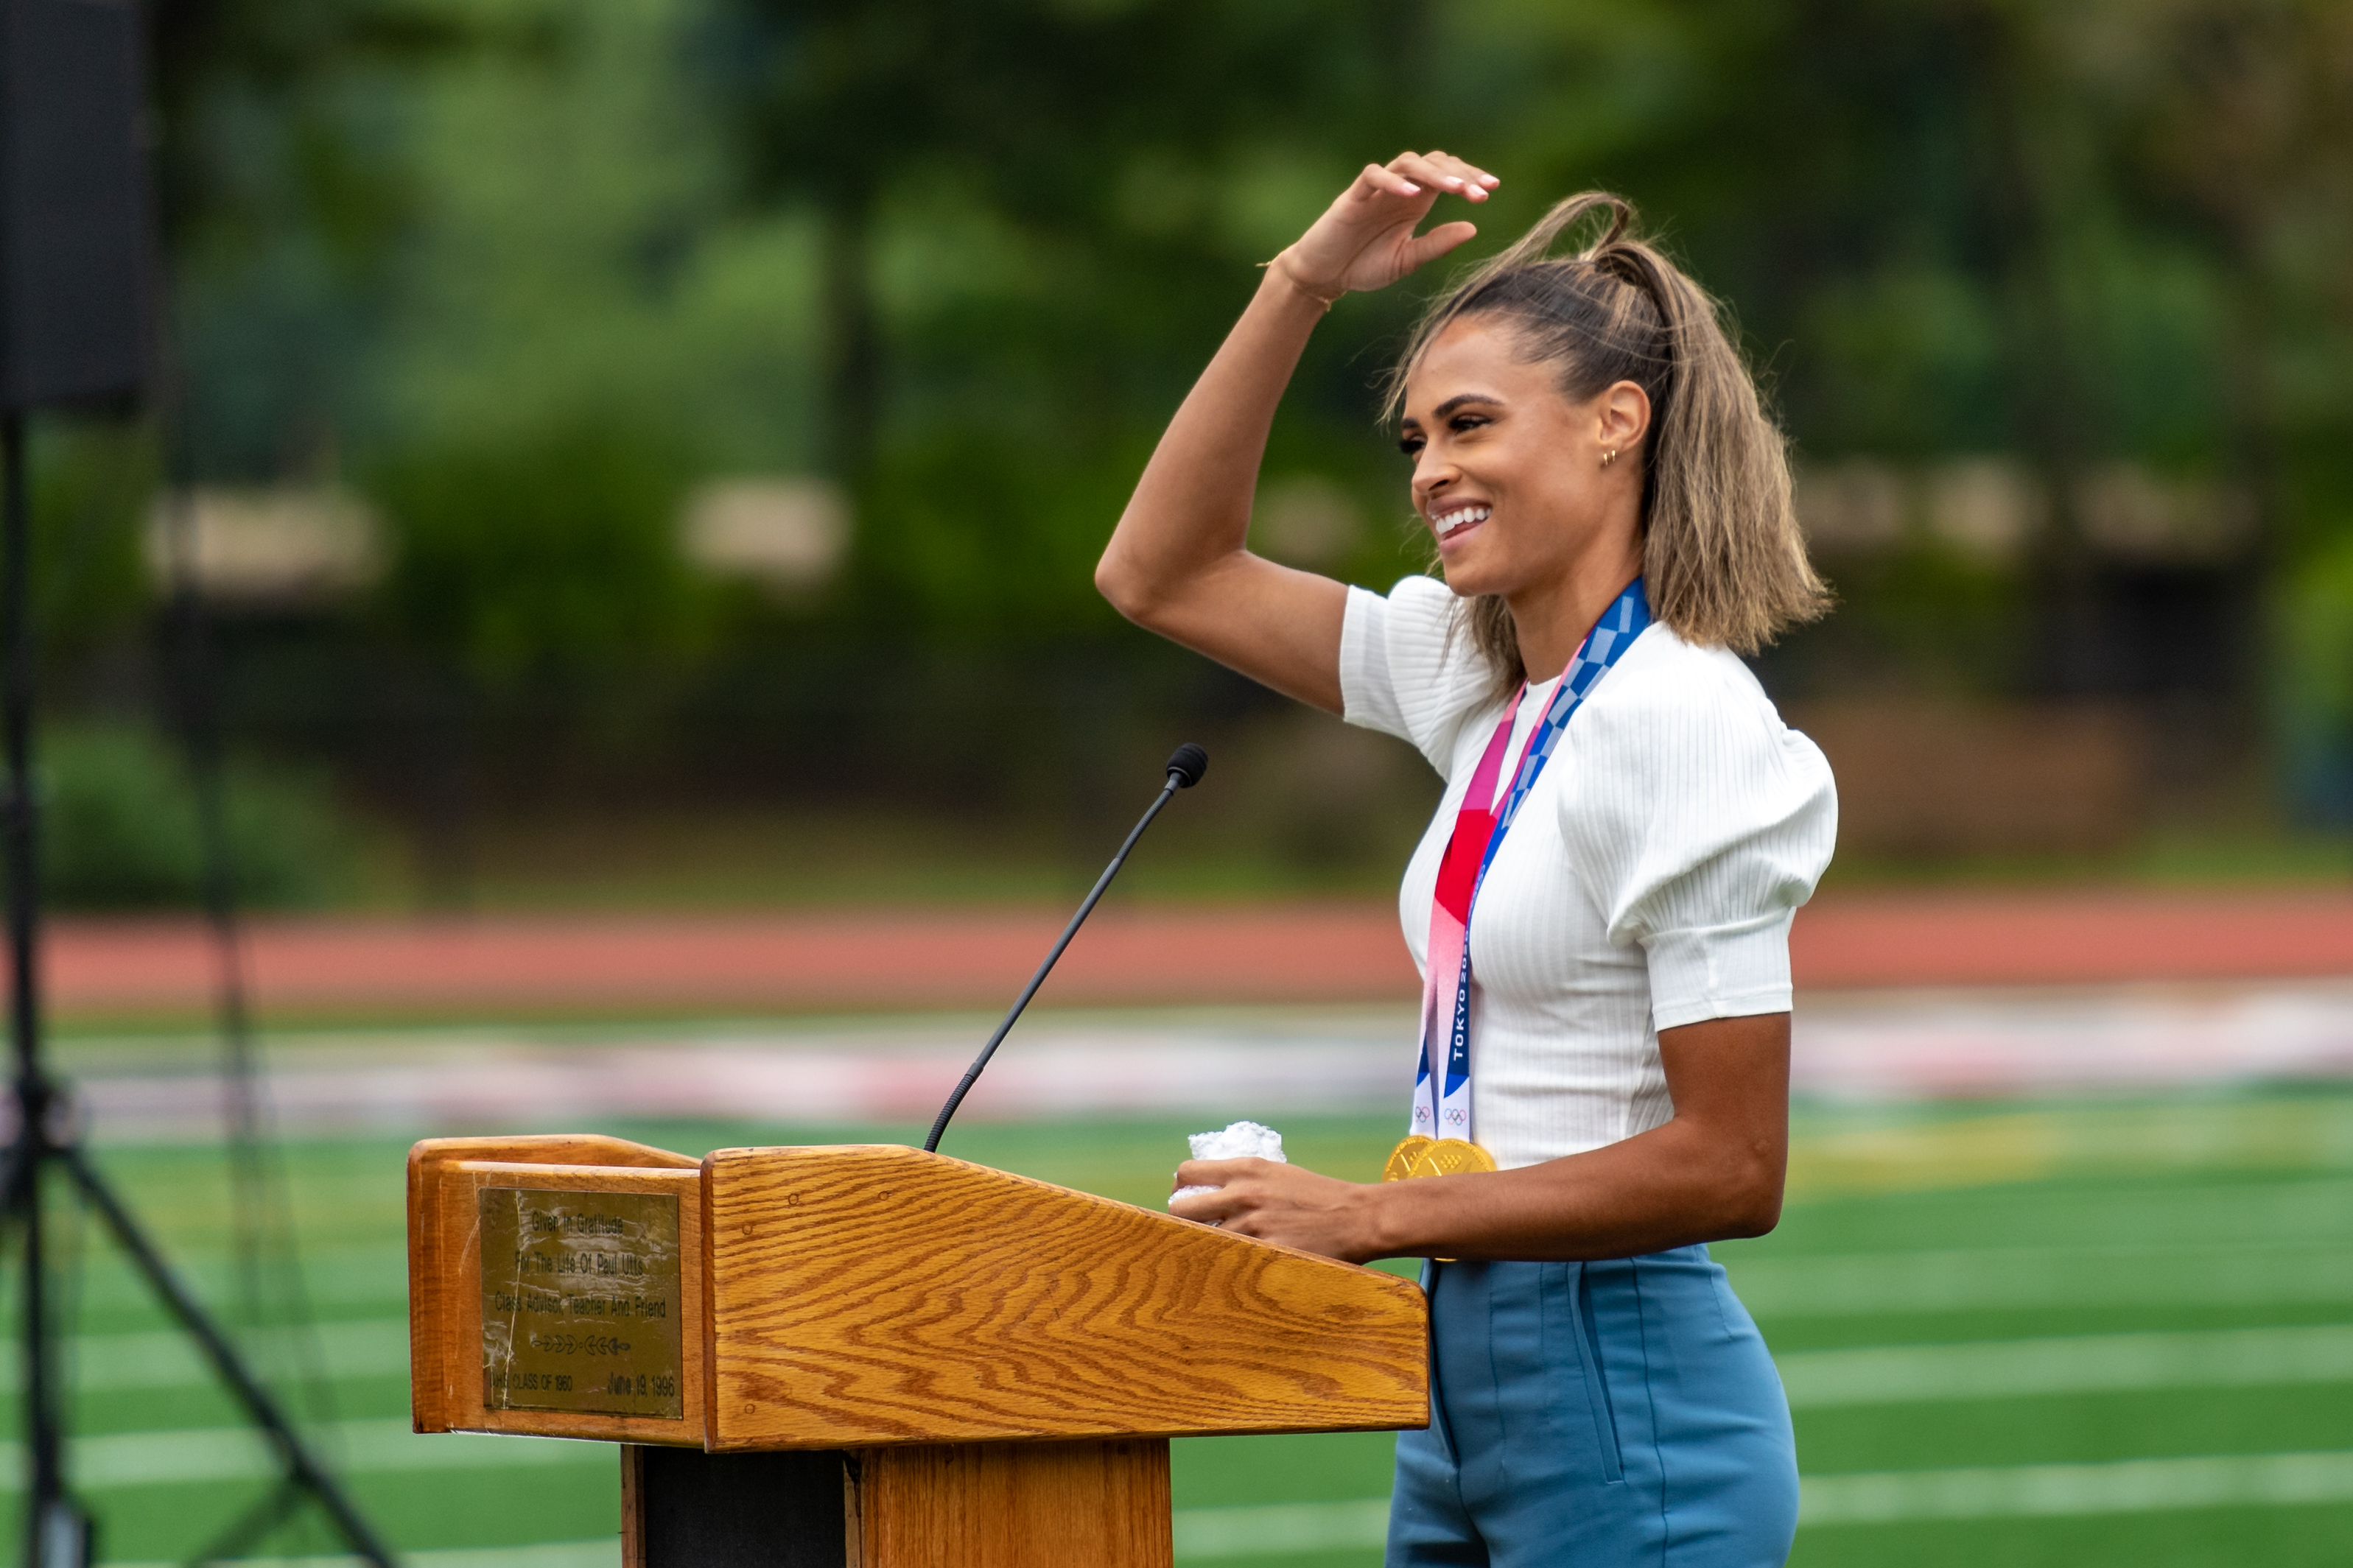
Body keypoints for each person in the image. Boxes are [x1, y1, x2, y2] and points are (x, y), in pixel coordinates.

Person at [1095, 152, 1838, 1567]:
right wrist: (1301, 283)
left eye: (1471, 425)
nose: (1431, 471)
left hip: (1624, 1397)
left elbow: (1734, 1164)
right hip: (1450, 1381)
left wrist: (1372, 1212)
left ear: (1617, 422)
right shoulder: (1480, 673)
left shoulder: (1684, 717)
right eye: (1415, 440)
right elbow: (1160, 572)